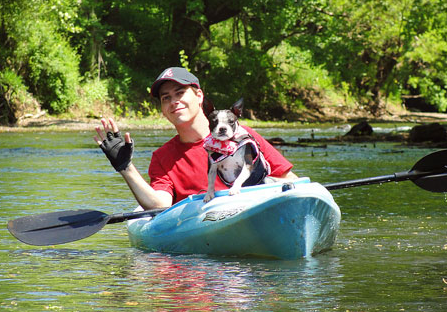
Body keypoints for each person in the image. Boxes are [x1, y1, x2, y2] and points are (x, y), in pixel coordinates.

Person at [94, 67, 298, 210]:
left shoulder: (244, 137)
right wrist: (125, 167)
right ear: (163, 109)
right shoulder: (162, 158)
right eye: (166, 98)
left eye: (180, 93)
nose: (174, 101)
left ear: (199, 96)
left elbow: (290, 181)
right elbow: (160, 205)